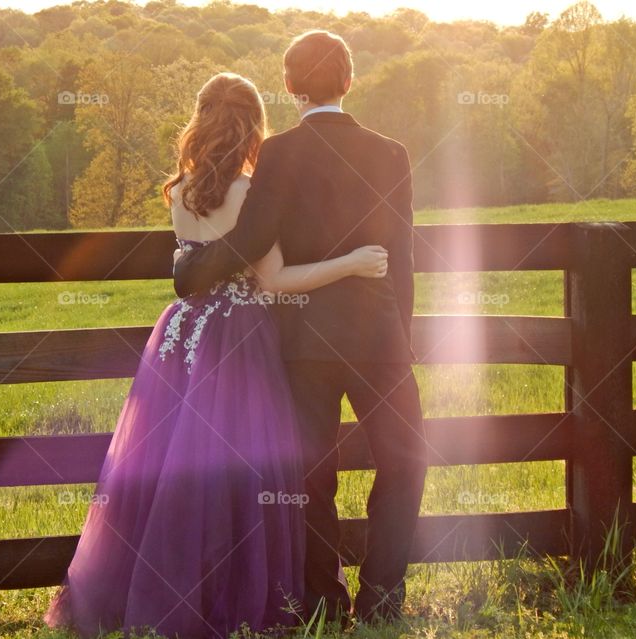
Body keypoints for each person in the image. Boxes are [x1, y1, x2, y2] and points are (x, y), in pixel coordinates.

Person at [44, 71, 390, 639]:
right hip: (240, 335)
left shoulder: (180, 188)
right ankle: (236, 599)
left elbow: (193, 267)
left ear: (201, 120)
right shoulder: (247, 192)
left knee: (174, 468)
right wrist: (351, 263)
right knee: (245, 469)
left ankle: (156, 594)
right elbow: (274, 279)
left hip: (183, 335)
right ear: (255, 124)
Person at [173, 31, 427, 622]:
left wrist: (191, 271)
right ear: (349, 82)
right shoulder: (391, 153)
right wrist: (403, 337)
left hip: (303, 342)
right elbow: (404, 255)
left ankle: (324, 601)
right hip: (379, 340)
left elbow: (252, 241)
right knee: (406, 461)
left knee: (311, 477)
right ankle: (383, 599)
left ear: (289, 86)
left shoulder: (280, 154)